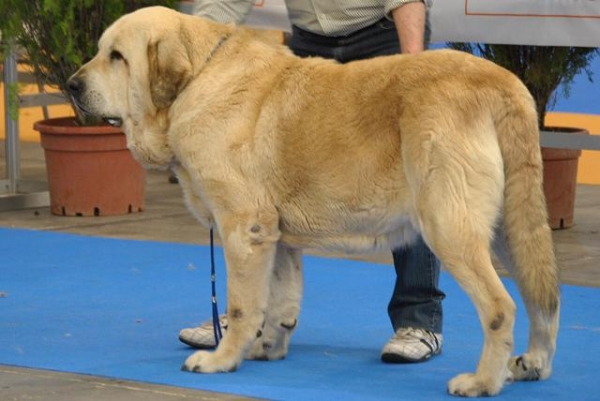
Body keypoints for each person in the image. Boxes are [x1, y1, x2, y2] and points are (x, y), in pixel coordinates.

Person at [179, 0, 445, 364]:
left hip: (382, 37)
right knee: (273, 188)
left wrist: (413, 66)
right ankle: (254, 319)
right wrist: (186, 45)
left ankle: (419, 320)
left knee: (407, 175)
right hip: (310, 43)